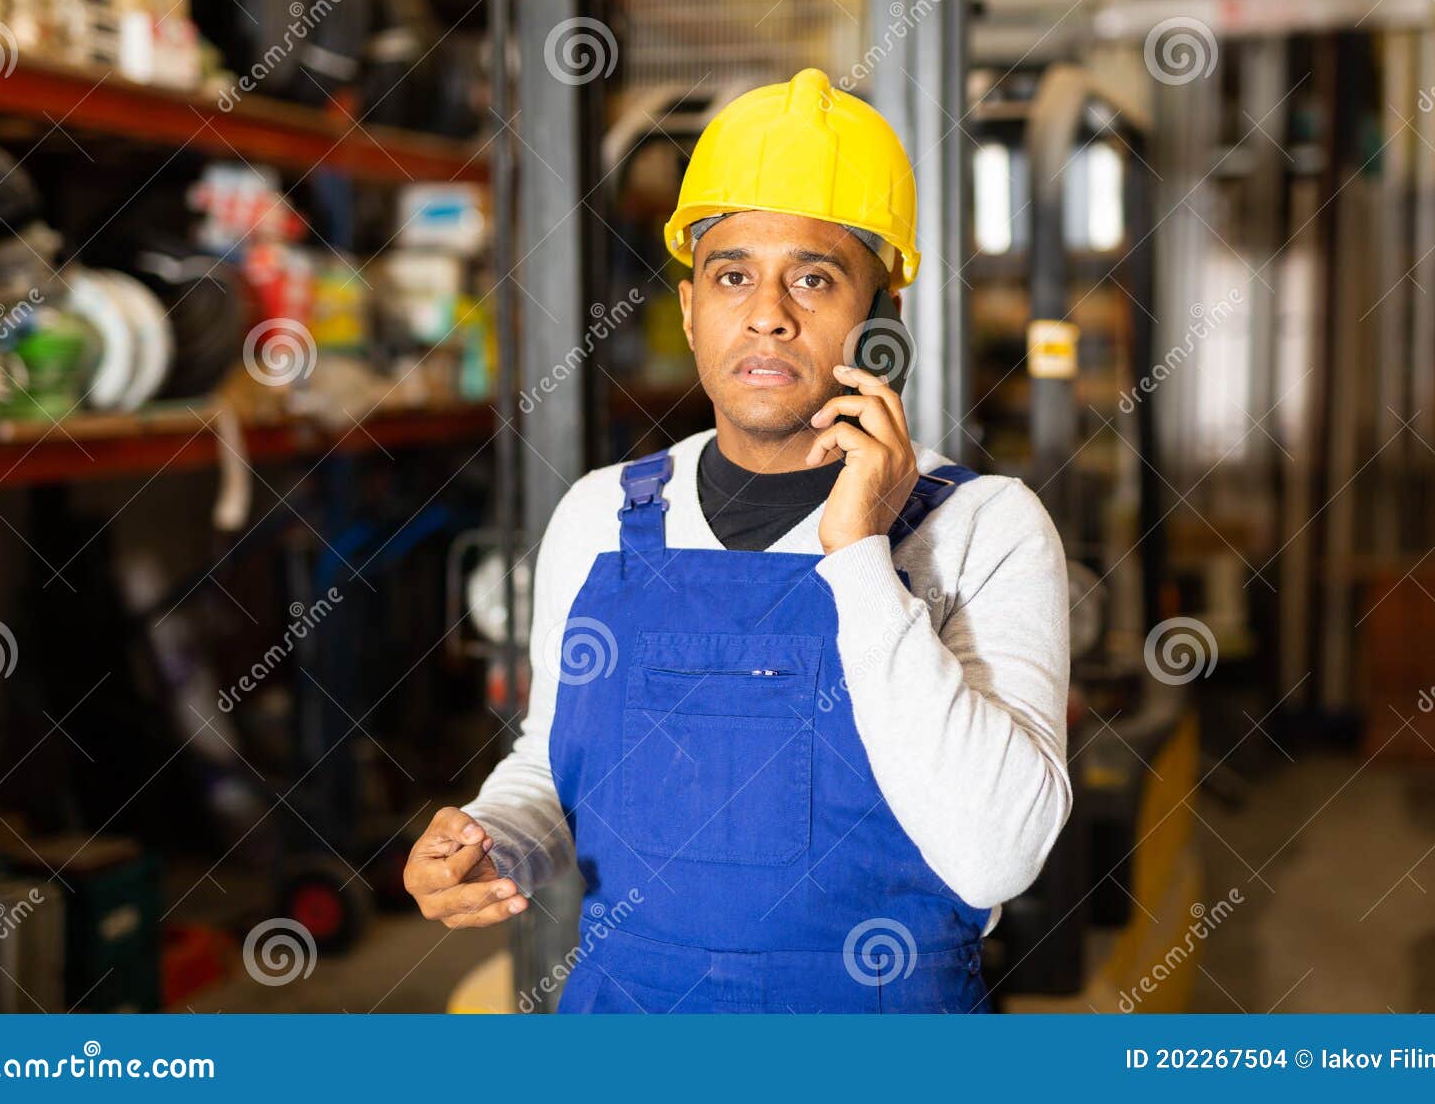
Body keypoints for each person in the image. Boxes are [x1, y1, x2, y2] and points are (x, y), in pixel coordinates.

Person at [405, 68, 1071, 1013]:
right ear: (689, 310)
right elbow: (555, 764)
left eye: (813, 275)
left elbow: (999, 852)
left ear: (880, 322)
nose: (768, 311)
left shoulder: (981, 528)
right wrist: (491, 838)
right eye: (731, 274)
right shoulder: (602, 517)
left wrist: (859, 557)